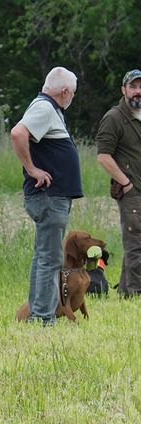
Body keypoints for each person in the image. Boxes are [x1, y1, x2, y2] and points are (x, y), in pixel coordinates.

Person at [11, 67, 83, 325]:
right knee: (51, 259)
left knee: (43, 257)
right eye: (72, 93)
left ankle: (36, 314)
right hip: (49, 197)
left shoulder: (49, 108)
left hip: (52, 197)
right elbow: (18, 133)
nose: (72, 97)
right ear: (64, 91)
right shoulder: (44, 107)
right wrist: (32, 169)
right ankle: (43, 318)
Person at [96, 69, 141, 298]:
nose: (138, 91)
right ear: (124, 90)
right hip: (132, 192)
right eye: (133, 86)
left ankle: (125, 288)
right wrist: (126, 184)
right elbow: (103, 156)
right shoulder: (114, 117)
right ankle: (135, 293)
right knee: (136, 244)